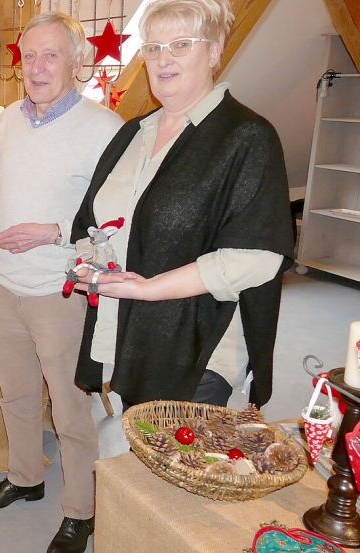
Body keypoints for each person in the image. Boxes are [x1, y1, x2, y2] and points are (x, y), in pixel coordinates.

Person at [71, 0, 293, 411]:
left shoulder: (246, 136)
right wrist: (90, 260)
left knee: (177, 465)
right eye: (153, 48)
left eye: (181, 44)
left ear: (213, 52)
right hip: (129, 330)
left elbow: (259, 257)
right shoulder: (132, 134)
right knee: (136, 459)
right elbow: (91, 221)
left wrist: (151, 289)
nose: (163, 59)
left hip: (198, 345)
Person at [0, 13, 123, 553]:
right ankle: (25, 478)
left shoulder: (105, 129)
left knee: (69, 407)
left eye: (50, 55)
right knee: (15, 394)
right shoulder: (9, 119)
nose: (36, 68)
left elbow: (117, 218)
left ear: (77, 61)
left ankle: (80, 510)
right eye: (28, 56)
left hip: (60, 291)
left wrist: (54, 231)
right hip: (1, 283)